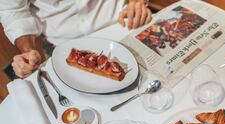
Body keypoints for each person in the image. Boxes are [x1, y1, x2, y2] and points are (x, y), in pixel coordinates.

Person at [0, 0, 153, 78]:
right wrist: (28, 51)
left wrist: (137, 2)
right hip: (64, 47)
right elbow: (14, 11)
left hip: (122, 23)